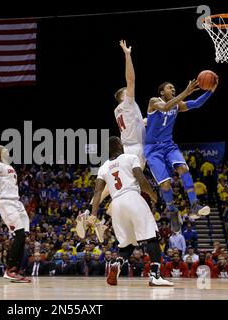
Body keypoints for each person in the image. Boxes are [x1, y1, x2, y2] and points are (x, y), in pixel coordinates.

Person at [76, 40, 146, 240]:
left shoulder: (120, 111)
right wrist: (127, 55)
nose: (131, 91)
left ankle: (92, 214)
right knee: (129, 189)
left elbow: (137, 123)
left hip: (129, 148)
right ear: (123, 96)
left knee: (118, 188)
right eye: (127, 91)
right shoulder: (127, 102)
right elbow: (131, 79)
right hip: (134, 150)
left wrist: (146, 121)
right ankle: (99, 217)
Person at [90, 136, 172, 286]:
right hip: (132, 197)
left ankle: (116, 265)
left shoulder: (103, 167)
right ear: (118, 146)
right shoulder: (130, 157)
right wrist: (155, 197)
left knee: (128, 244)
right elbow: (142, 180)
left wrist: (93, 215)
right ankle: (155, 275)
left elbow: (97, 193)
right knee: (152, 237)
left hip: (116, 205)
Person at [144, 77, 218, 231]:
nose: (173, 89)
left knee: (183, 168)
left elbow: (196, 104)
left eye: (173, 88)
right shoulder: (153, 102)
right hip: (152, 149)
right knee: (165, 185)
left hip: (169, 145)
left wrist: (210, 91)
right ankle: (172, 210)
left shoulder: (177, 105)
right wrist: (186, 92)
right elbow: (164, 108)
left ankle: (194, 204)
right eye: (170, 87)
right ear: (162, 91)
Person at [0, 145, 31, 283]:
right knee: (19, 234)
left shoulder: (11, 167)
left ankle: (17, 271)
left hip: (17, 203)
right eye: (2, 148)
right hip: (7, 203)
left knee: (23, 237)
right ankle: (10, 270)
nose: (6, 149)